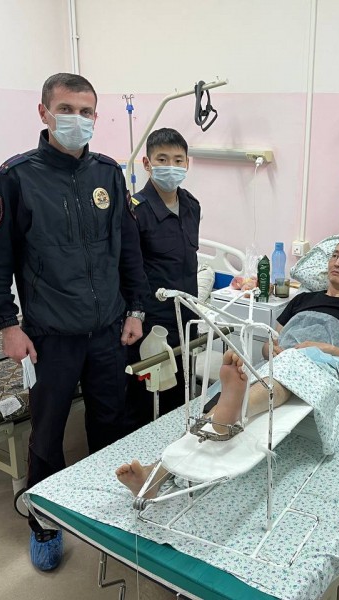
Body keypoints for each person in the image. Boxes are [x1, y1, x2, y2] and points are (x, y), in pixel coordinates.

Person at [0, 73, 150, 572]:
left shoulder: (108, 173)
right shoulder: (16, 177)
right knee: (48, 433)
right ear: (44, 113)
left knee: (112, 422)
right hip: (50, 335)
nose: (79, 119)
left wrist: (136, 309)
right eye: (67, 109)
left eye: (87, 111)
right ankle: (44, 523)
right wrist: (7, 324)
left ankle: (110, 512)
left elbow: (128, 249)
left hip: (108, 329)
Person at [116, 236, 339, 497]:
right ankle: (156, 474)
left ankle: (236, 408)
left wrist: (327, 349)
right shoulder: (302, 300)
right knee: (214, 405)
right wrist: (274, 350)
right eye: (335, 255)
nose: (337, 262)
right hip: (281, 362)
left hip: (320, 368)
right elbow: (270, 344)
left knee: (265, 380)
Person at [124, 128, 200, 431]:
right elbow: (128, 270)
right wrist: (135, 315)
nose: (172, 166)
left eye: (178, 160)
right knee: (149, 401)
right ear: (147, 163)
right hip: (152, 323)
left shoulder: (192, 205)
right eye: (163, 159)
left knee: (182, 397)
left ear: (187, 163)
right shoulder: (135, 211)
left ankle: (179, 446)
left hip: (187, 318)